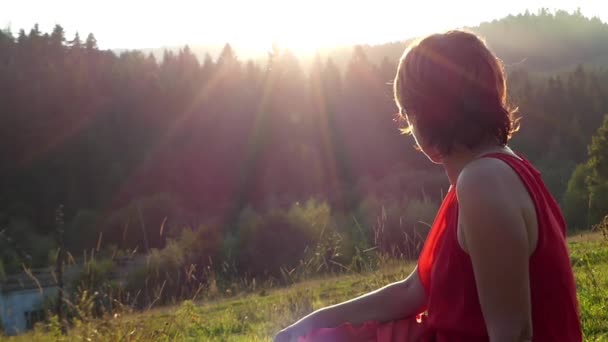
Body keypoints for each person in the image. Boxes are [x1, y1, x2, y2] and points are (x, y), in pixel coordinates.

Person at [274, 30, 582, 342]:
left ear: (425, 116)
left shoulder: (484, 182)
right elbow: (412, 291)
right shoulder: (482, 177)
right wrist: (305, 327)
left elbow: (513, 333)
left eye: (408, 114)